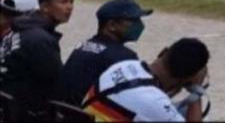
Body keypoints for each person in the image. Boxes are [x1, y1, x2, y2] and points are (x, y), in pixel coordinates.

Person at [82, 37, 210, 122]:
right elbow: (153, 103)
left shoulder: (124, 65)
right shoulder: (155, 103)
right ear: (189, 77)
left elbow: (143, 98)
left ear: (163, 52)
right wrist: (197, 91)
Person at [57, 0, 153, 106]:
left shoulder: (83, 46)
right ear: (111, 25)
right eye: (133, 20)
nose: (139, 24)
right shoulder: (123, 56)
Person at [0, 0, 75, 120]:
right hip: (24, 113)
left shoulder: (20, 28)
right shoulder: (40, 40)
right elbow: (58, 84)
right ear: (45, 7)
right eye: (64, 2)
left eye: (71, 2)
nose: (70, 7)